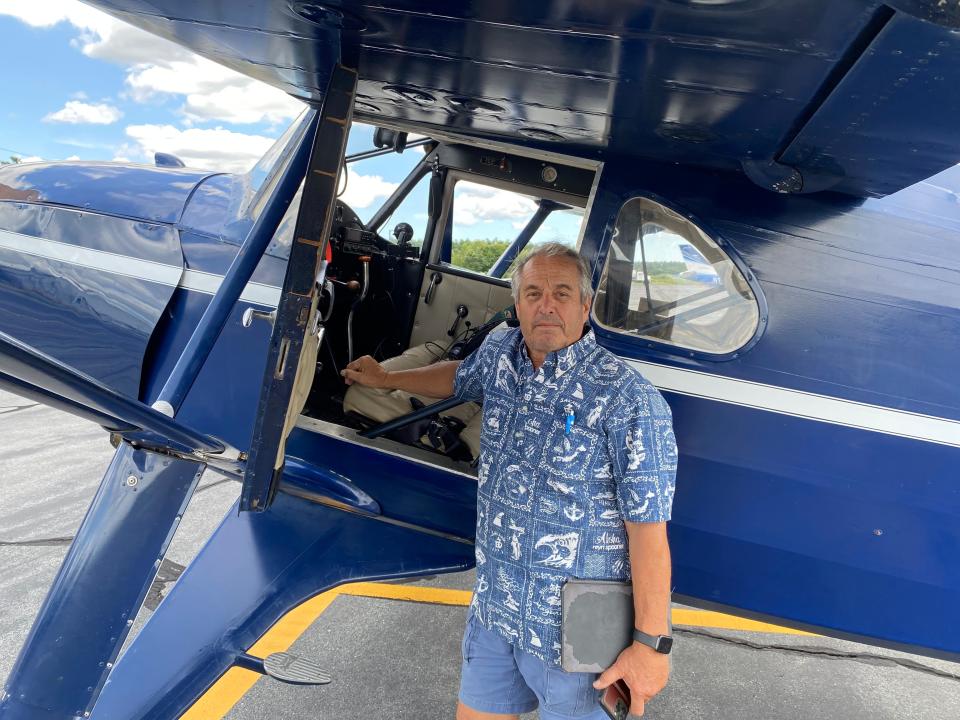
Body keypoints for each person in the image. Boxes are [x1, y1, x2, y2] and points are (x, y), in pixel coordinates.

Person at [343, 243, 677, 719]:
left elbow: (649, 535)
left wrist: (650, 645)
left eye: (562, 293)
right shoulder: (501, 353)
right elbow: (459, 376)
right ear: (517, 305)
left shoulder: (629, 400)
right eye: (533, 292)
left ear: (585, 306)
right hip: (498, 610)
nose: (546, 305)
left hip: (582, 629)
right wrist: (384, 381)